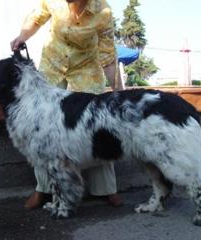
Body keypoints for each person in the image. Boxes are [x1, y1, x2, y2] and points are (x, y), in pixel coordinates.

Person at [11, 0, 124, 209]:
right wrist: (22, 36)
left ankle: (107, 189)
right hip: (52, 66)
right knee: (41, 131)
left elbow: (108, 56)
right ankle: (43, 189)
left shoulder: (103, 11)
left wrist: (119, 93)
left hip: (86, 69)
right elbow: (36, 17)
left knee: (97, 126)